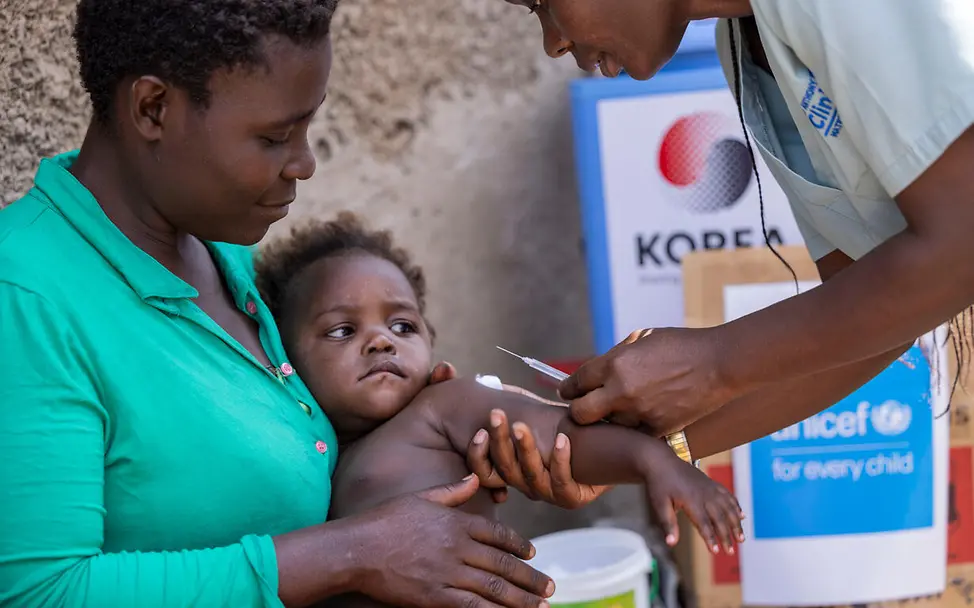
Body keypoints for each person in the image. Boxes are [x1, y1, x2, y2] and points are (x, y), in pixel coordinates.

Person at [0, 2, 579, 607]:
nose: (304, 162)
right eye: (275, 137)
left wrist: (431, 432)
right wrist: (355, 554)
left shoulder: (226, 256)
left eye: (306, 128)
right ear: (153, 108)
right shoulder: (27, 297)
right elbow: (38, 593)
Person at [479, 0, 974, 486]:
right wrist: (639, 451)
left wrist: (714, 363)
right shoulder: (744, 43)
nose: (552, 43)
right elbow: (878, 310)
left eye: (543, 3)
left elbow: (961, 249)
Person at [252, 211, 744, 569]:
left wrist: (654, 462)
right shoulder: (307, 458)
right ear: (283, 361)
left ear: (431, 343)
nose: (380, 340)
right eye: (342, 331)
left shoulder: (445, 407)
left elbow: (563, 437)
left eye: (402, 326)